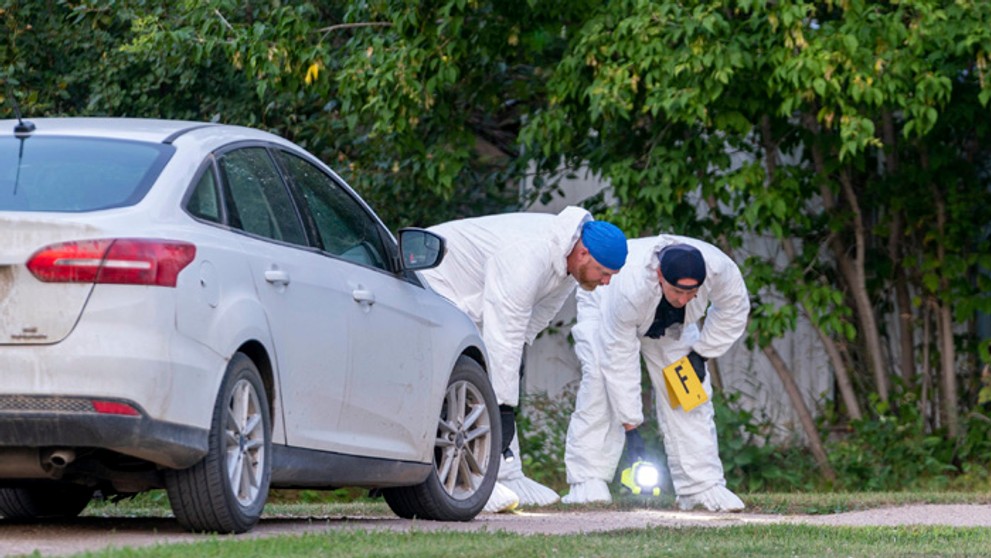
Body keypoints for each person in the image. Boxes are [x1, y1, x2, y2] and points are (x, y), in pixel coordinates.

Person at [421, 206, 628, 512]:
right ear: (583, 254)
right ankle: (475, 480)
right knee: (471, 379)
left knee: (500, 374)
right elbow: (504, 335)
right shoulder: (528, 255)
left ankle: (508, 474)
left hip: (476, 300)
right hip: (434, 282)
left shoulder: (567, 267)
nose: (607, 282)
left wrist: (509, 377)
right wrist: (502, 407)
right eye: (605, 273)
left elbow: (533, 319)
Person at [561, 235, 749, 511]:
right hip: (605, 308)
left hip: (673, 328)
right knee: (600, 383)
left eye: (691, 293)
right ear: (660, 275)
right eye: (677, 292)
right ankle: (587, 481)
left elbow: (734, 309)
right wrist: (631, 427)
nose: (684, 299)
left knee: (689, 396)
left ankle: (700, 486)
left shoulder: (721, 270)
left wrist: (702, 352)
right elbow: (619, 358)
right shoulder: (629, 287)